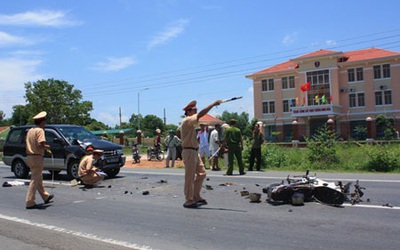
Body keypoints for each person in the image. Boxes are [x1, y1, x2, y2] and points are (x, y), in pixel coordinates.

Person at [181, 99, 222, 208]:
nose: (196, 112)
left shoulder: (191, 123)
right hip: (189, 151)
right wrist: (213, 104)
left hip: (195, 151)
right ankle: (188, 199)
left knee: (202, 173)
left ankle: (196, 195)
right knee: (189, 177)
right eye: (194, 110)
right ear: (189, 112)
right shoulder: (187, 120)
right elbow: (201, 114)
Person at [25, 111, 54, 209]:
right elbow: (40, 143)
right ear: (42, 122)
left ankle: (45, 196)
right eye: (44, 121)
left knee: (38, 176)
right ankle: (30, 201)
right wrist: (47, 147)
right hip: (37, 156)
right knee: (35, 179)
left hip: (29, 156)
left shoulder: (30, 130)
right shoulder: (40, 131)